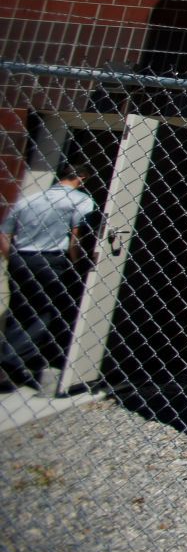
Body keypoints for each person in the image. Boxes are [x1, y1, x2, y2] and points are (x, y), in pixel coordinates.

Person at [1, 162, 99, 391]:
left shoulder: (29, 199)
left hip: (22, 258)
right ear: (81, 178)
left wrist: (12, 257)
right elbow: (77, 233)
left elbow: (5, 232)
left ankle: (14, 359)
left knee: (20, 308)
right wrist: (76, 260)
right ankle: (15, 362)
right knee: (46, 311)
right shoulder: (80, 200)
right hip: (52, 259)